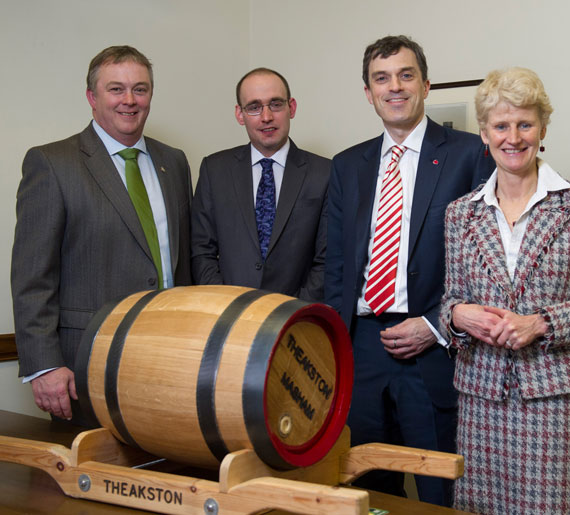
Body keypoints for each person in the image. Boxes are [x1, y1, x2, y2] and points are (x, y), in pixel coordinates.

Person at [440, 67, 570, 514]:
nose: (513, 137)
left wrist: (541, 324)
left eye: (525, 124)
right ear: (484, 134)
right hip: (481, 402)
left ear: (542, 129)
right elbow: (451, 299)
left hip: (556, 404)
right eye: (501, 126)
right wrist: (458, 316)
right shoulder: (460, 214)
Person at [324, 35, 493, 506]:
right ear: (368, 92)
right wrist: (337, 348)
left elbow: (485, 268)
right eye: (381, 78)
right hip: (360, 352)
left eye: (405, 75)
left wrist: (434, 326)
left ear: (425, 83)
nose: (394, 87)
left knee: (439, 490)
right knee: (366, 488)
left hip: (432, 351)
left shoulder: (470, 155)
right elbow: (336, 267)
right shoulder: (347, 166)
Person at [11, 45, 192, 425]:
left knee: (167, 474)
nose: (129, 100)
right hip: (86, 364)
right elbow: (32, 277)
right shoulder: (52, 164)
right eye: (116, 89)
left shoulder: (172, 162)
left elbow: (182, 262)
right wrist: (44, 366)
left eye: (140, 89)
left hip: (171, 358)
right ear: (92, 97)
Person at [191, 68, 330, 301]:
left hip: (297, 320)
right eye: (254, 107)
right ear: (239, 114)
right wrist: (224, 304)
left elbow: (327, 260)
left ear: (291, 107)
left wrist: (294, 311)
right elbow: (201, 251)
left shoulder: (325, 173)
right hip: (227, 316)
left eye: (275, 104)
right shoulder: (214, 170)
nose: (266, 117)